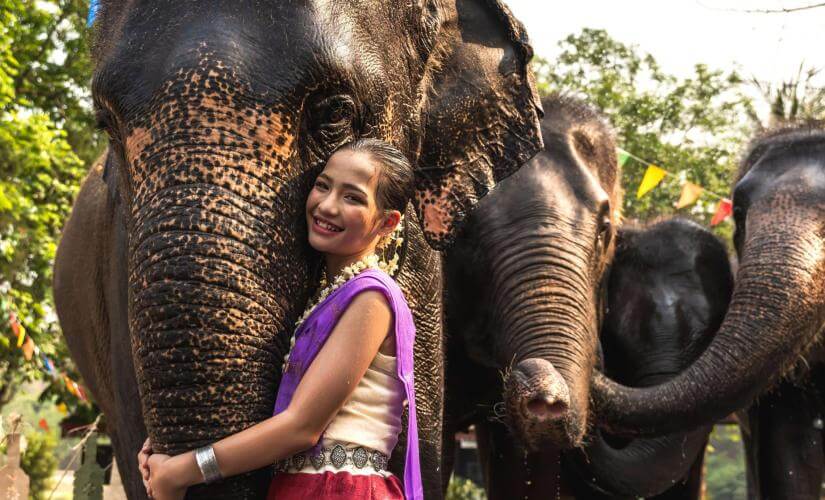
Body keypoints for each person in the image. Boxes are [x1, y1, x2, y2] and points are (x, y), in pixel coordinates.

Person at [137, 139, 422, 500]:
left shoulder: (372, 297)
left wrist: (182, 470)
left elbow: (302, 427)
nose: (327, 205)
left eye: (352, 197)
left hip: (339, 490)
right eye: (323, 185)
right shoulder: (330, 294)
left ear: (387, 223)